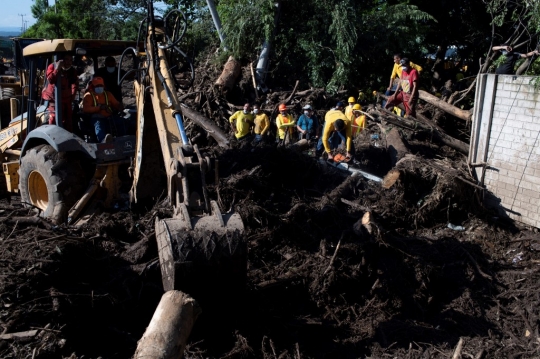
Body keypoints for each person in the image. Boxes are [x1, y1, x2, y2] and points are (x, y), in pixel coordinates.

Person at [42, 54, 79, 132]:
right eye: (66, 59)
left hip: (67, 99)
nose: (68, 62)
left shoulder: (72, 71)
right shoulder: (52, 67)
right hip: (54, 100)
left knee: (69, 120)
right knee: (54, 118)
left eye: (70, 60)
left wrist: (72, 96)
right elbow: (51, 80)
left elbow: (75, 84)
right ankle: (52, 135)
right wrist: (57, 69)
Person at [82, 77, 125, 142]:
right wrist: (99, 108)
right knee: (99, 126)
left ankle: (123, 139)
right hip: (96, 118)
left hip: (109, 117)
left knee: (122, 122)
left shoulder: (108, 94)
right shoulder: (88, 96)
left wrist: (120, 106)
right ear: (93, 86)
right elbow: (86, 109)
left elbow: (116, 104)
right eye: (97, 86)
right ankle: (103, 140)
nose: (99, 87)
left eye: (101, 86)